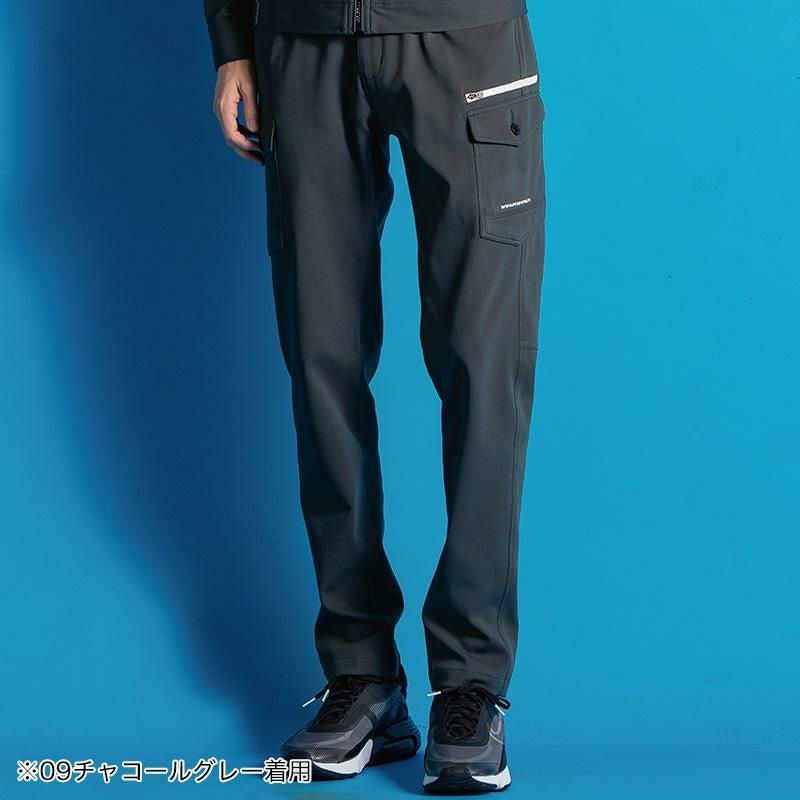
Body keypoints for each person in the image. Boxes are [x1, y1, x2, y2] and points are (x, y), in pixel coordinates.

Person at [205, 0, 546, 791]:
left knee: (483, 363)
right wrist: (231, 41)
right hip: (304, 39)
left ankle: (471, 683)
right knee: (320, 358)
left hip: (463, 41)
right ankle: (362, 672)